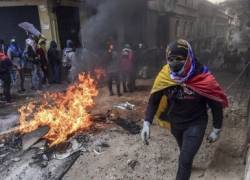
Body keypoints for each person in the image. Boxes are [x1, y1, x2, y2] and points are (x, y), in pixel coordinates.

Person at [141, 39, 228, 180]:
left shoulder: (203, 77)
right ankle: (186, 162)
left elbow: (215, 104)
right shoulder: (165, 75)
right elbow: (154, 101)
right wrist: (147, 122)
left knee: (185, 159)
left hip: (196, 123)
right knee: (184, 153)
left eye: (179, 58)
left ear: (189, 58)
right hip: (175, 123)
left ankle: (185, 164)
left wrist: (216, 129)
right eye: (171, 59)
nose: (174, 62)